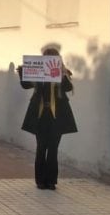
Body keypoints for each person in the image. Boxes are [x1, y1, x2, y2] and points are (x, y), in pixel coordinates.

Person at [18, 47, 77, 190]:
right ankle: (40, 181)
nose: (49, 59)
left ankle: (51, 181)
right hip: (40, 115)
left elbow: (68, 88)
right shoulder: (38, 70)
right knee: (41, 147)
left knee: (53, 149)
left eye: (53, 57)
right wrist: (22, 73)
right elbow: (26, 85)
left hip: (57, 116)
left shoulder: (63, 72)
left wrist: (62, 75)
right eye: (47, 56)